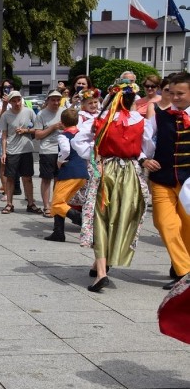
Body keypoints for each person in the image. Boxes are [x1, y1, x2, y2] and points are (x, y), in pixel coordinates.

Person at [73, 81, 150, 292]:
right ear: (132, 99)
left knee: (100, 217)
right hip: (131, 173)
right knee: (121, 216)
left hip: (107, 170)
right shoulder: (141, 121)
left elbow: (79, 141)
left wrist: (95, 155)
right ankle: (103, 263)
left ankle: (101, 272)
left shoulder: (102, 121)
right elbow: (146, 148)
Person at [143, 72, 190, 289]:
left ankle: (182, 270)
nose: (175, 97)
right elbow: (143, 142)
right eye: (172, 92)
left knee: (187, 228)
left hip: (188, 182)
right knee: (163, 222)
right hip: (163, 178)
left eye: (180, 93)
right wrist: (144, 159)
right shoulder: (160, 116)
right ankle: (185, 271)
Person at [44, 108, 86, 242]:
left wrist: (60, 160)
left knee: (56, 204)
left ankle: (83, 220)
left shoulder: (63, 135)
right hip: (82, 172)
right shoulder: (82, 134)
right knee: (62, 201)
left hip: (69, 171)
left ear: (62, 122)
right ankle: (58, 232)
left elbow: (66, 150)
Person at [0, 91, 40, 215]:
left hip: (26, 149)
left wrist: (26, 130)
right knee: (10, 178)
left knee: (27, 177)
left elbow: (38, 128)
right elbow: (4, 135)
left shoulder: (29, 111)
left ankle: (31, 203)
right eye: (14, 101)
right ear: (9, 102)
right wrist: (4, 153)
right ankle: (9, 204)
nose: (17, 103)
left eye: (18, 100)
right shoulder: (6, 115)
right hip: (12, 150)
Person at [34, 90, 64, 216]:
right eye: (53, 100)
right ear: (48, 100)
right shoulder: (41, 114)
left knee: (59, 180)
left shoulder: (64, 112)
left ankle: (55, 204)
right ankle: (46, 206)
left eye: (58, 100)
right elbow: (37, 135)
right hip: (47, 150)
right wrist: (53, 127)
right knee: (46, 179)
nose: (56, 103)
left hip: (62, 150)